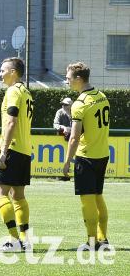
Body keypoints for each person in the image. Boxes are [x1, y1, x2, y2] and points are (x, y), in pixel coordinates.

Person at [62, 62, 111, 251]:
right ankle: (103, 239)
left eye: (68, 78)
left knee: (88, 200)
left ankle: (92, 242)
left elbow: (74, 137)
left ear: (78, 79)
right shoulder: (102, 96)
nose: (67, 82)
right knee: (98, 196)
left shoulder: (80, 104)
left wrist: (67, 162)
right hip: (102, 154)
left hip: (86, 156)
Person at [0, 57, 34, 252]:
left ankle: (13, 239)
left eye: (3, 70)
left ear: (13, 72)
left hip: (13, 150)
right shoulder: (26, 92)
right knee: (17, 195)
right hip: (25, 150)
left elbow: (12, 122)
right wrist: (2, 140)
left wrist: (4, 150)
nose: (0, 74)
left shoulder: (13, 91)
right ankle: (25, 239)